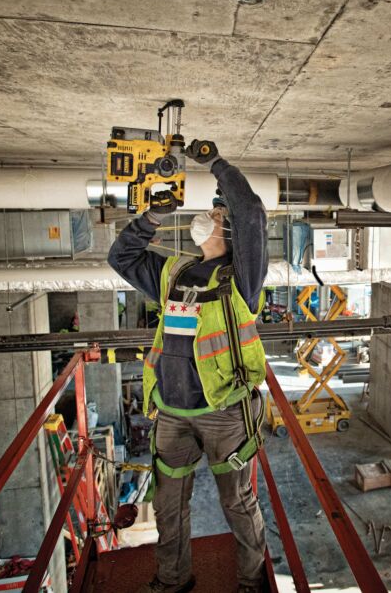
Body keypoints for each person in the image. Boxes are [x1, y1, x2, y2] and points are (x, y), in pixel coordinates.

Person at [108, 141, 269, 593]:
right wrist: (154, 214)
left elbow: (252, 212)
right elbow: (121, 258)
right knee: (168, 508)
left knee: (236, 502)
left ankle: (251, 581)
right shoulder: (174, 273)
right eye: (215, 212)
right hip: (173, 413)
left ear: (231, 232)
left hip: (224, 414)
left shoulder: (242, 277)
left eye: (218, 215)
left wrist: (216, 165)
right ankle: (173, 580)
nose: (211, 217)